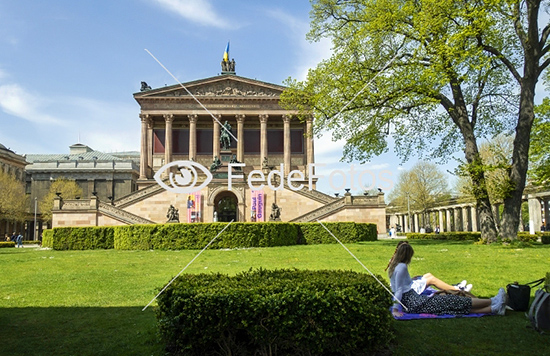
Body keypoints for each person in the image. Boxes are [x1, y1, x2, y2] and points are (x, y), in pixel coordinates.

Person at [388, 242, 507, 317]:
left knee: (452, 307)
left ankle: (494, 308)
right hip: (413, 302)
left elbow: (399, 285)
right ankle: (492, 301)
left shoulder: (394, 265)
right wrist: (395, 309)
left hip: (413, 301)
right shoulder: (402, 267)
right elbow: (398, 290)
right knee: (453, 301)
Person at [386, 241, 472, 293]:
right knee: (431, 279)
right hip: (408, 290)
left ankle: (455, 287)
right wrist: (413, 280)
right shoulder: (401, 266)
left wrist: (413, 279)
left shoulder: (394, 262)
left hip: (403, 287)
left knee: (427, 275)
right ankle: (457, 289)